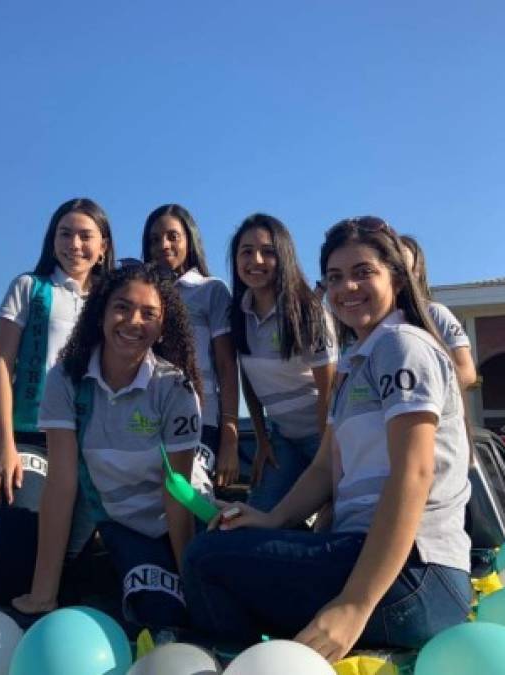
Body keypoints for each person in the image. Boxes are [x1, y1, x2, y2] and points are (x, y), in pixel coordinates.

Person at [183, 216, 473, 660]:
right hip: (367, 559)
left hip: (415, 573)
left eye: (363, 273)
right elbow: (323, 467)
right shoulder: (359, 358)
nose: (347, 288)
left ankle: (244, 665)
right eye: (335, 277)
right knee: (222, 543)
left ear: (396, 276)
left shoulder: (402, 345)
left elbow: (414, 473)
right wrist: (269, 518)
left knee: (205, 561)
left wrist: (355, 605)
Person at [12, 263, 203, 628]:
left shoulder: (175, 388)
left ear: (163, 326)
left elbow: (177, 494)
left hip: (184, 521)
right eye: (122, 307)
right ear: (100, 312)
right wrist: (43, 593)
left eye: (149, 314)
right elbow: (62, 483)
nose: (133, 321)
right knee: (155, 614)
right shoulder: (65, 379)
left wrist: (189, 581)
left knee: (187, 615)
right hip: (125, 525)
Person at [0, 198, 115, 604]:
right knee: (19, 550)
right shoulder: (29, 287)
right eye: (65, 233)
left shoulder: (112, 301)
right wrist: (5, 446)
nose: (74, 244)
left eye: (85, 235)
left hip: (85, 442)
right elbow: (1, 368)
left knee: (70, 556)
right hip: (29, 437)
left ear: (103, 246)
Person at [228, 213, 336, 513]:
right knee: (258, 514)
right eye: (246, 252)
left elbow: (328, 390)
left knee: (333, 523)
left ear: (284, 255)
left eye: (268, 251)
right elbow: (248, 379)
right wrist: (262, 439)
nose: (256, 260)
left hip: (323, 436)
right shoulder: (238, 312)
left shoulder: (307, 310)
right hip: (282, 439)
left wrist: (325, 457)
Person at [142, 204, 240, 489]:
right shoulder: (141, 293)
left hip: (202, 419)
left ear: (190, 239)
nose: (163, 245)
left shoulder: (211, 290)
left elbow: (226, 365)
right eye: (154, 239)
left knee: (189, 496)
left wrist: (229, 438)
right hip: (148, 417)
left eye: (173, 236)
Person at [399, 235, 477, 388]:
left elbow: (467, 373)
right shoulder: (366, 322)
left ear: (418, 270)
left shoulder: (435, 313)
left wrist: (419, 394)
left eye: (404, 263)